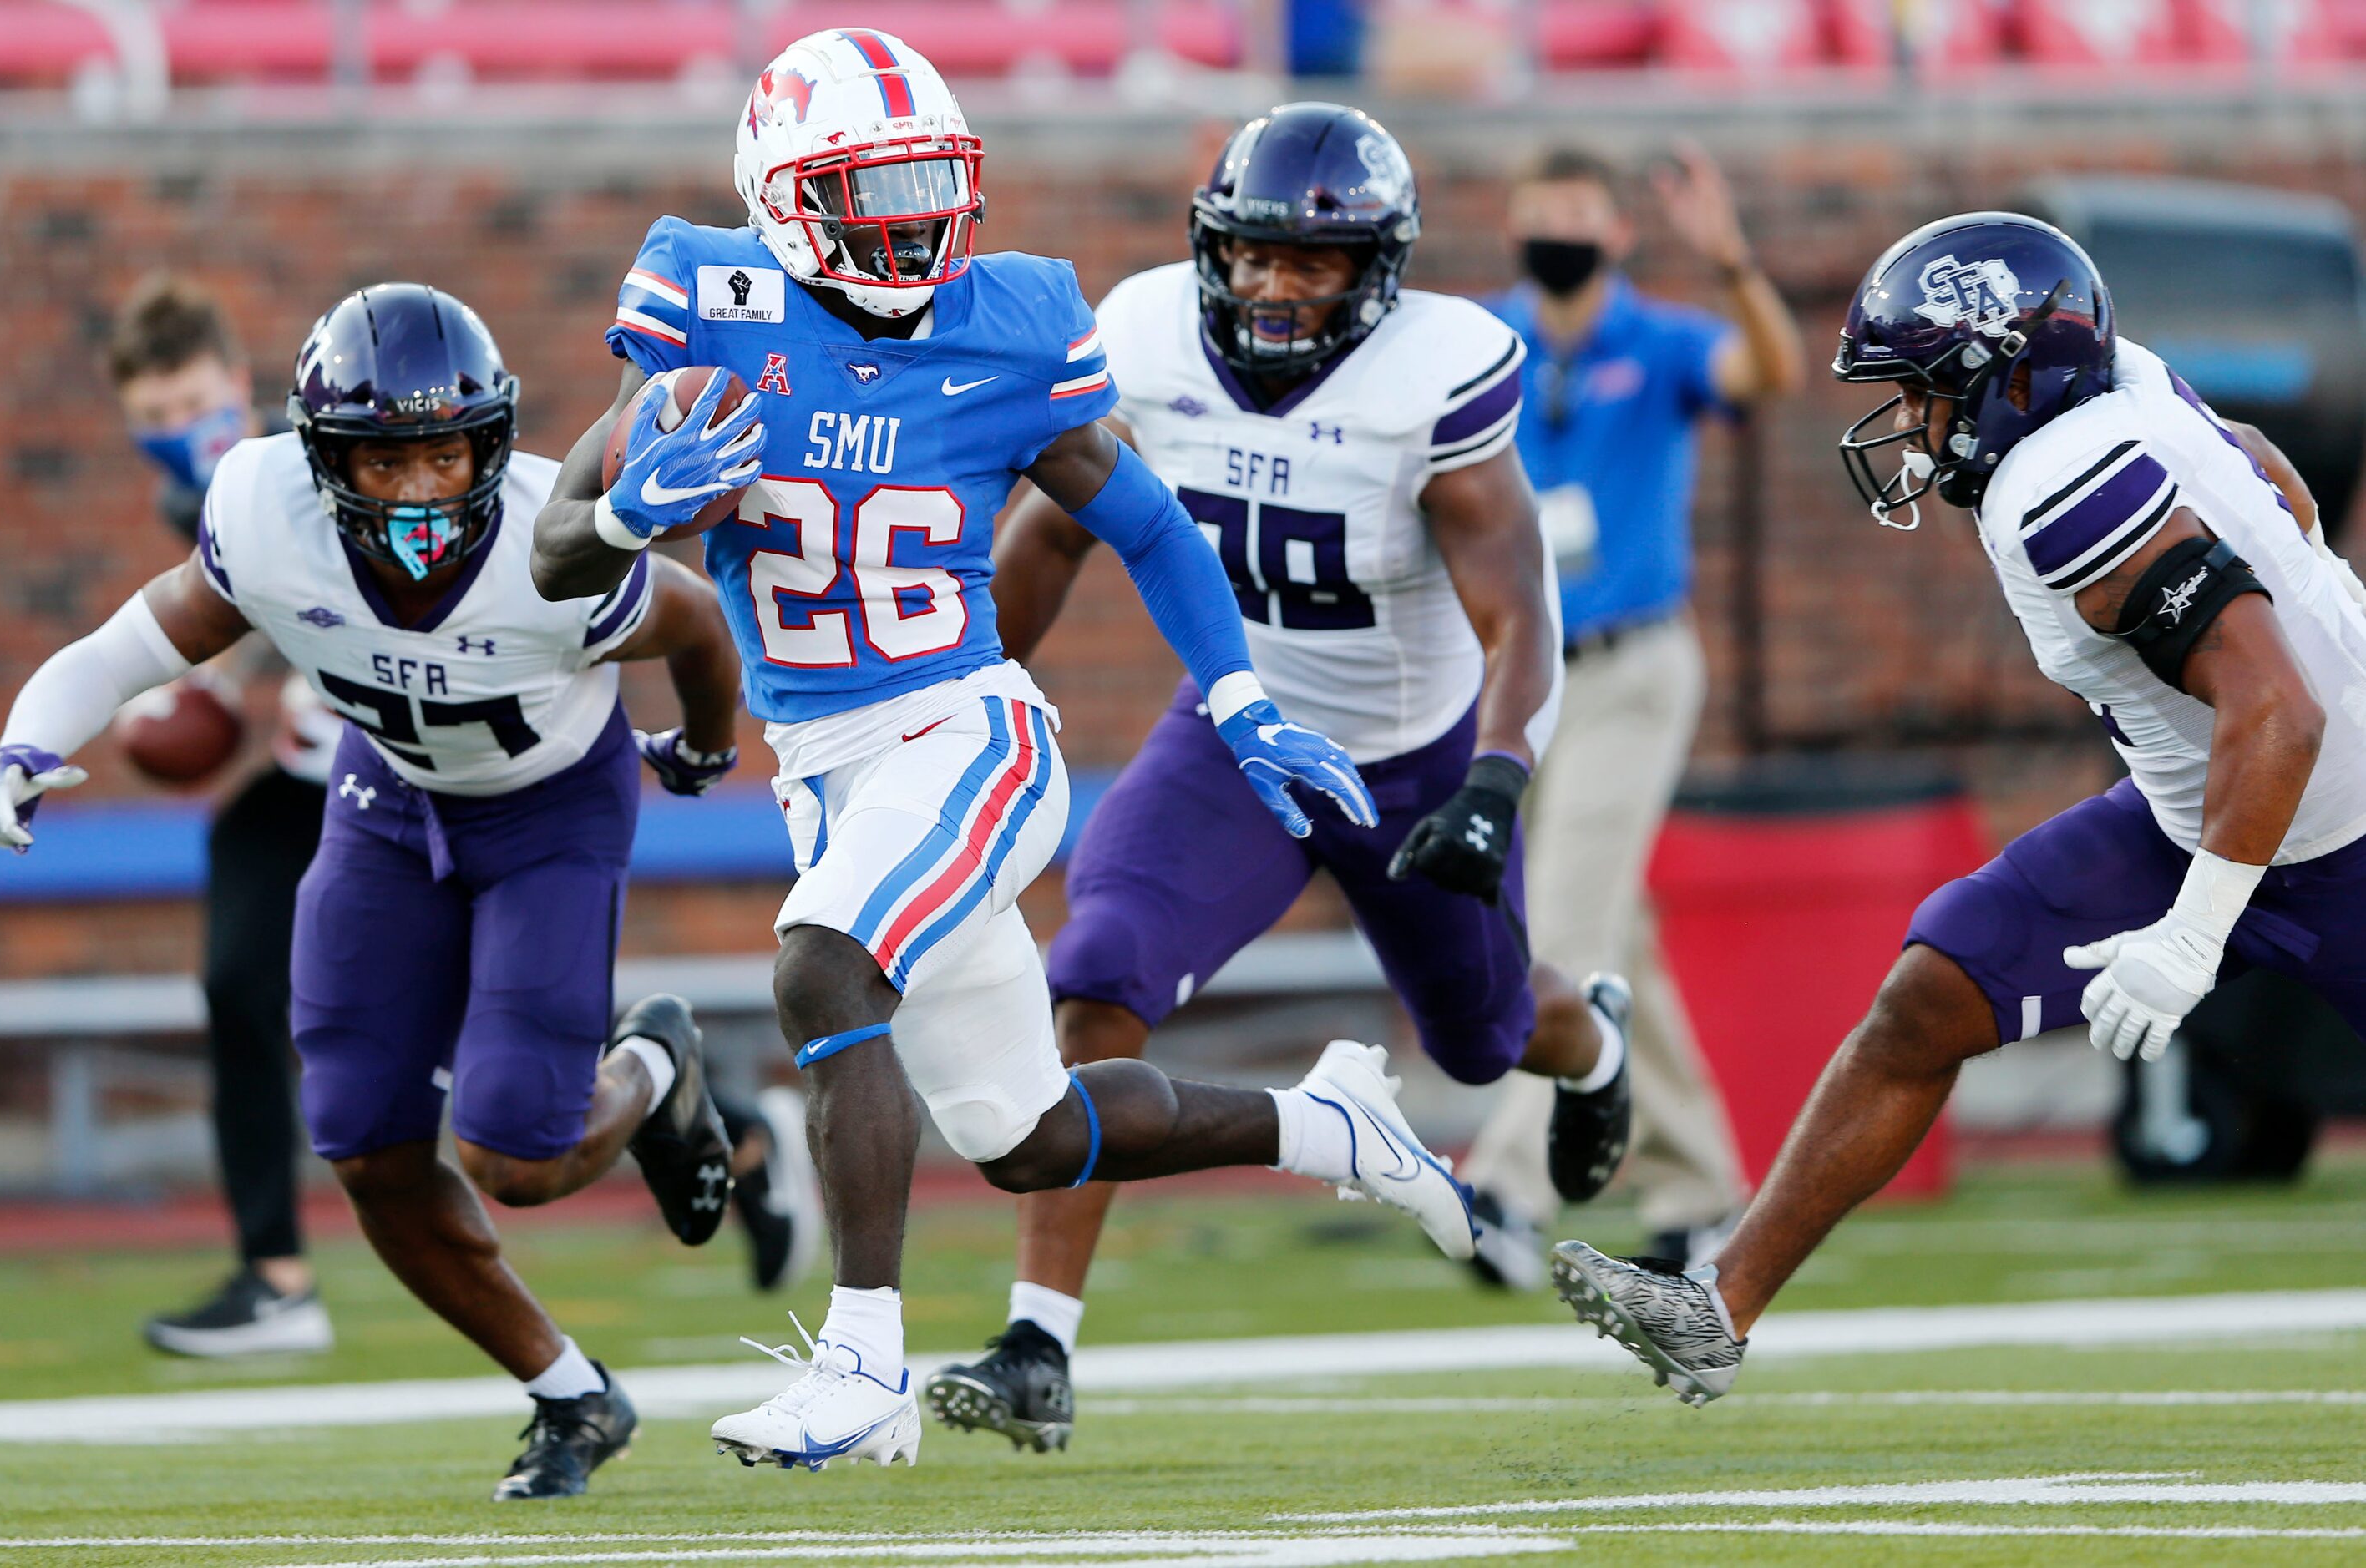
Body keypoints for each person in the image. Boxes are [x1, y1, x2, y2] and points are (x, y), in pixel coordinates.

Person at [530, 29, 1476, 1475]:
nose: (910, 218)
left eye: (929, 181)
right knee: (1023, 1130)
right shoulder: (707, 305)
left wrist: (1235, 697)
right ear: (781, 196)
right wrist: (614, 514)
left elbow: (1148, 523)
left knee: (820, 959)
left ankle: (864, 1363)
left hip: (968, 727)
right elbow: (550, 554)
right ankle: (1331, 1123)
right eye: (871, 186)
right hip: (825, 759)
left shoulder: (1017, 319)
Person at [1552, 213, 2366, 1404]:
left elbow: (2279, 715)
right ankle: (1714, 1302)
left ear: (2004, 379)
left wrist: (2192, 935)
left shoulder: (2061, 484)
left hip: (2334, 827)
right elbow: (2256, 459)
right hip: (2201, 808)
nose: (1907, 424)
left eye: (1924, 390)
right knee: (1930, 992)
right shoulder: (2120, 382)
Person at [920, 102, 1632, 1456]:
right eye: (1247, 256)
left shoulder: (1439, 371)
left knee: (1484, 1038)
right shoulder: (1139, 338)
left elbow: (1515, 613)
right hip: (1239, 733)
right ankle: (1036, 1342)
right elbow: (1046, 540)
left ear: (1378, 271)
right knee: (1098, 974)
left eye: (1307, 264)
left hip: (1415, 749)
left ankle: (1590, 1042)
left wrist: (1491, 778)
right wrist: (944, 708)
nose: (1269, 286)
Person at [0, 283, 752, 1500]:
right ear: (327, 458)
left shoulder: (557, 535)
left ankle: (654, 1064)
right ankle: (568, 1394)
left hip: (550, 807)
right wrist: (24, 741)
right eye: (385, 461)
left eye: (447, 451)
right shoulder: (265, 509)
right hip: (387, 797)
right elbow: (137, 641)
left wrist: (703, 747)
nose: (424, 487)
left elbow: (698, 623)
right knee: (366, 1139)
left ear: (491, 440)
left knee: (515, 1156)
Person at [1459, 141, 1805, 1284]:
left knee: (1555, 918)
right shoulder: (1480, 342)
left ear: (1617, 232)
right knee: (1612, 936)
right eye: (1538, 210)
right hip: (1517, 669)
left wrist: (1734, 265)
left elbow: (1772, 371)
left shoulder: (1658, 338)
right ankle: (1703, 1191)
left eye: (1577, 212)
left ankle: (1503, 1188)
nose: (1557, 228)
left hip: (1631, 663)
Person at [104, 276, 341, 1358]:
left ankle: (719, 1123)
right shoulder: (183, 502)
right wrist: (183, 691)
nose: (171, 433)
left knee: (499, 1028)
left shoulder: (318, 452)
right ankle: (275, 1275)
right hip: (319, 762)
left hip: (436, 760)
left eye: (186, 404)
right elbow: (256, 611)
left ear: (236, 387)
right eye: (149, 419)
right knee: (236, 974)